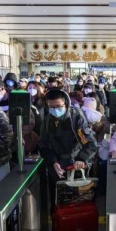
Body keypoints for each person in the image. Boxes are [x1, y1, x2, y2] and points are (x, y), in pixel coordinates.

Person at [38, 88, 98, 219]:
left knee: (77, 206)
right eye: (51, 107)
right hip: (56, 168)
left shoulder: (76, 119)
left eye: (58, 107)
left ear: (66, 103)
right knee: (57, 205)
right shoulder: (47, 121)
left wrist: (82, 159)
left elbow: (90, 144)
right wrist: (53, 161)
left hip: (75, 166)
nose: (55, 110)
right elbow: (43, 145)